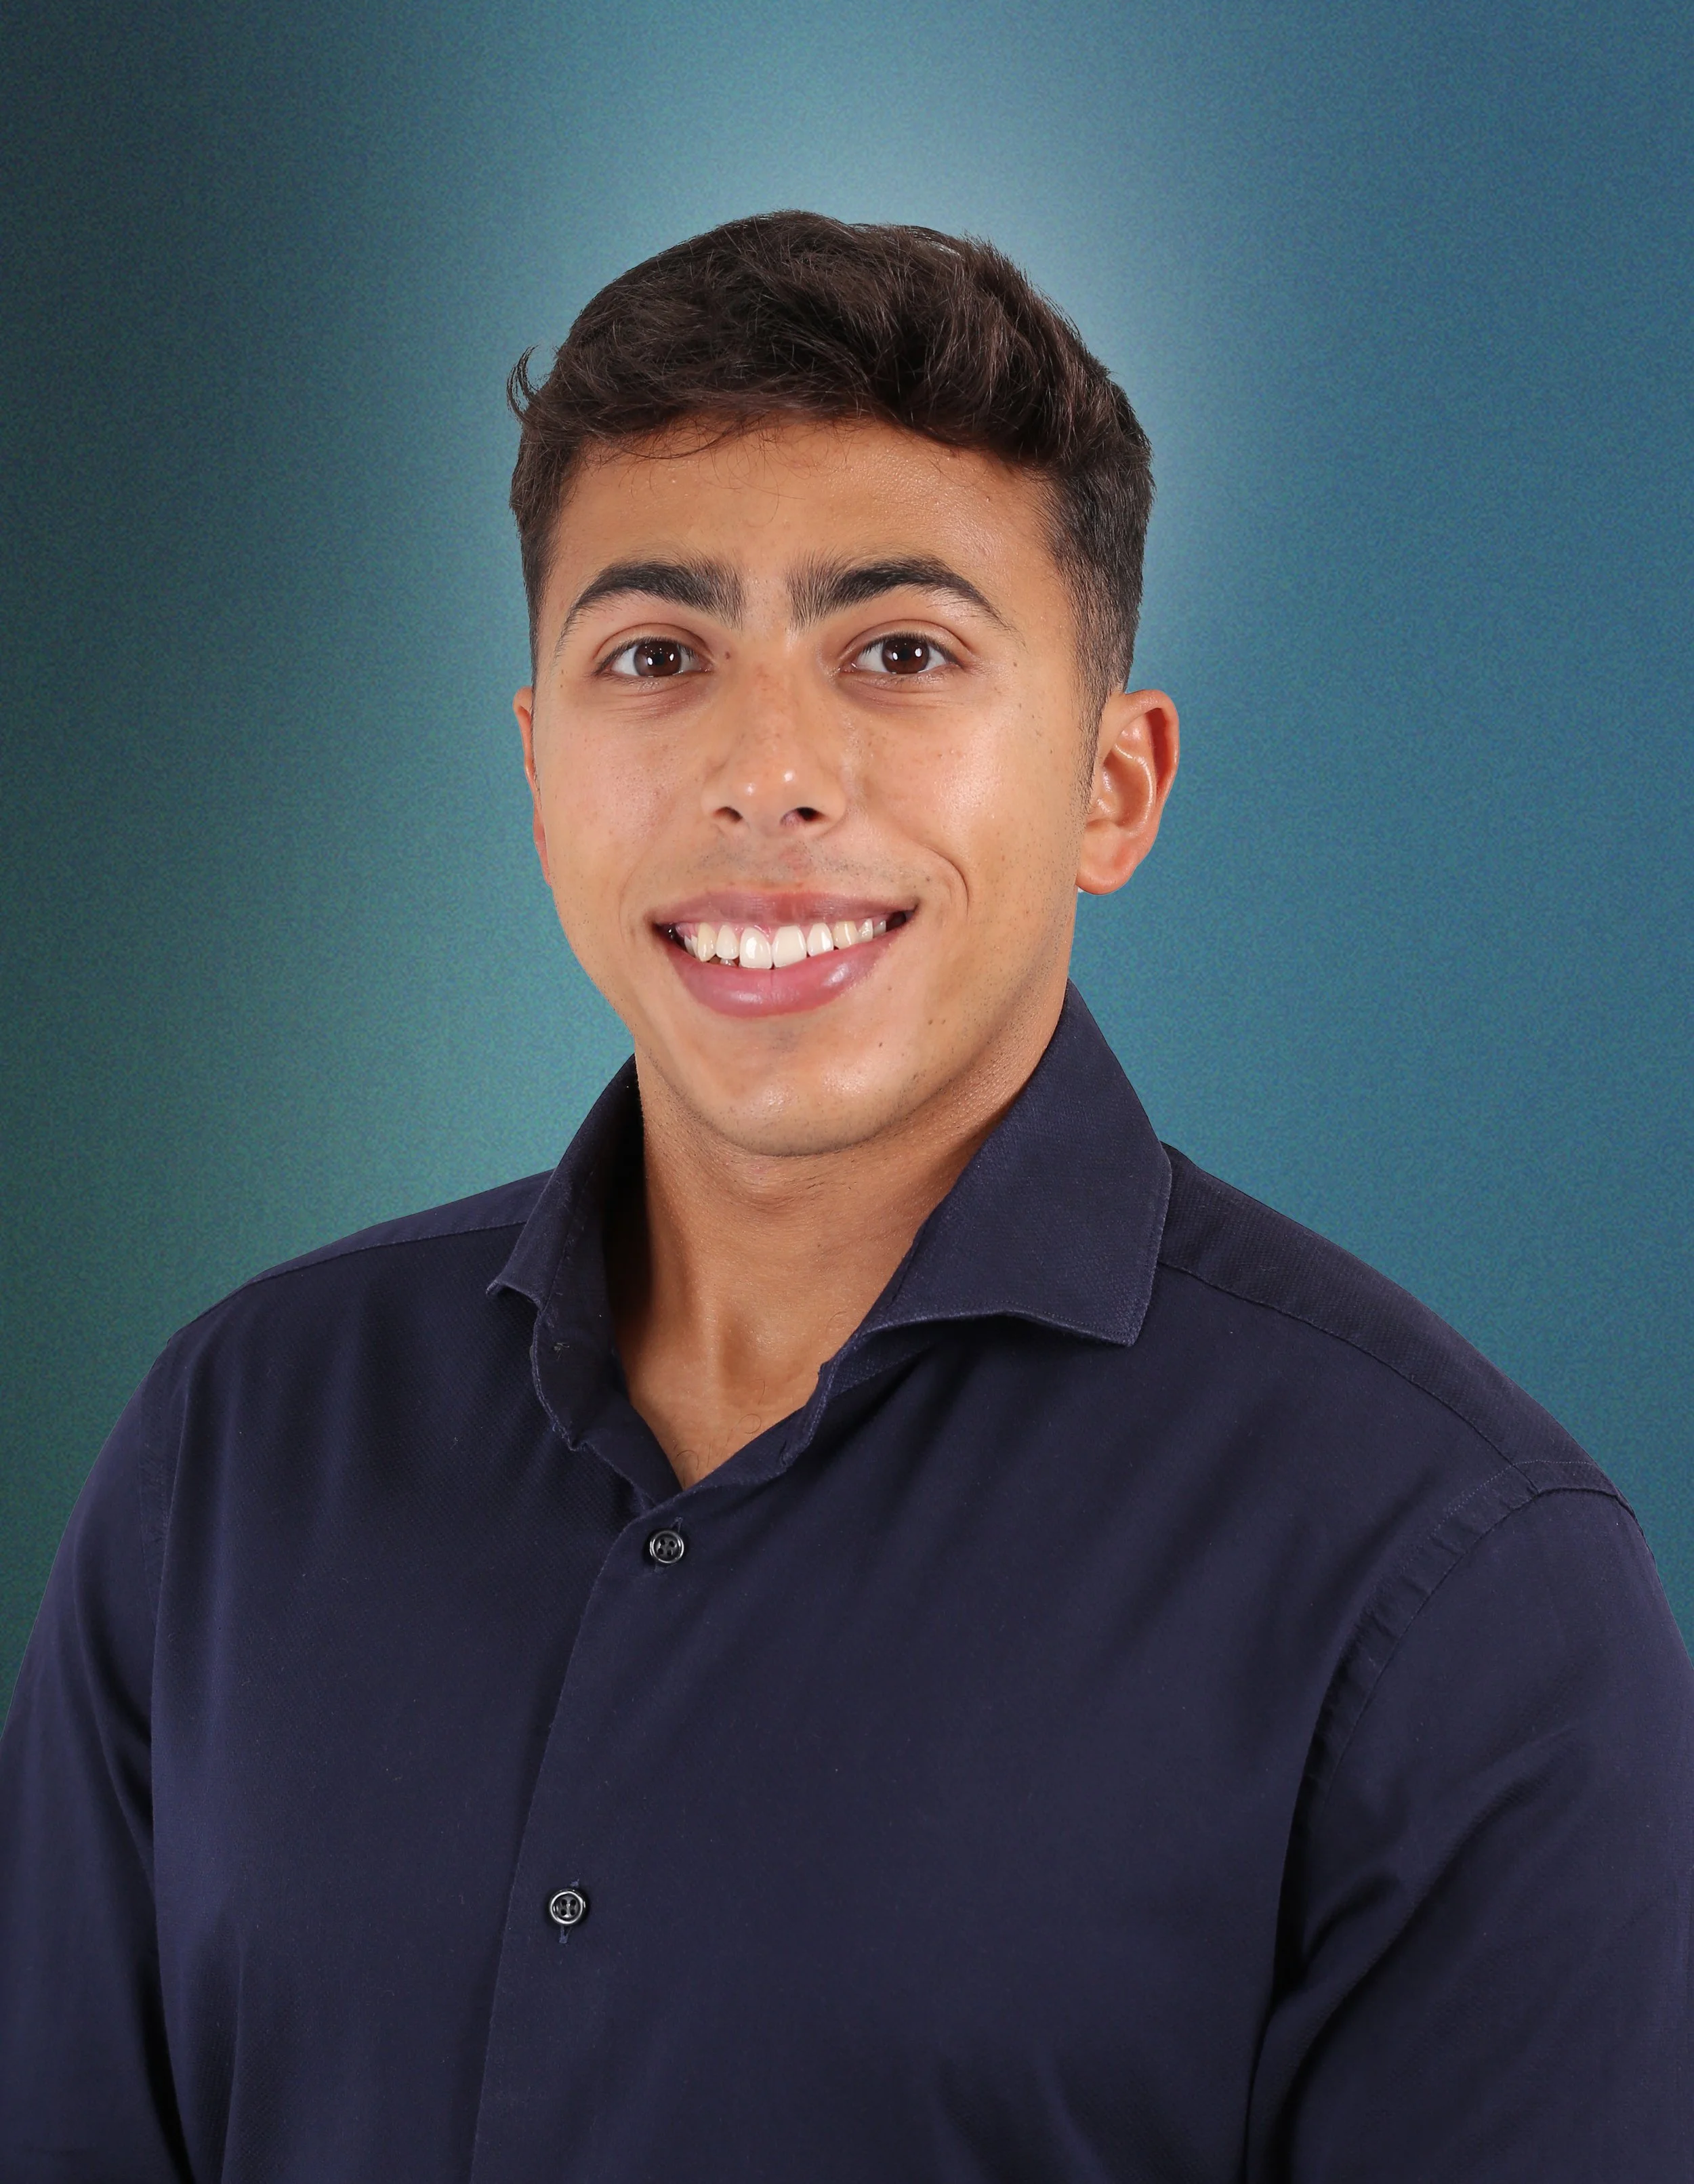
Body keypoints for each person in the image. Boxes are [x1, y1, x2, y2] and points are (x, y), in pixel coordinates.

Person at [1, 213, 1689, 2183]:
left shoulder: (1458, 1585)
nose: (766, 772)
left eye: (899, 652)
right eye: (657, 656)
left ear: (1111, 787)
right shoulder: (233, 1445)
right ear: (538, 772)